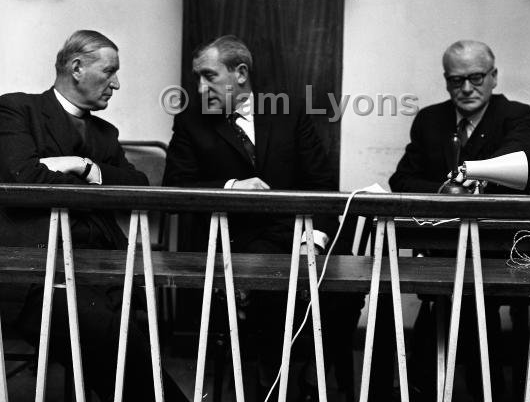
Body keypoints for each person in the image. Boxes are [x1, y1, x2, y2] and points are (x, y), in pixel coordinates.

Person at [163, 34, 362, 400]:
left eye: (208, 76)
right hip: (239, 240)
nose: (200, 87)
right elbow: (175, 188)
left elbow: (321, 184)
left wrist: (314, 239)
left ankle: (310, 377)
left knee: (346, 293)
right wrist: (231, 185)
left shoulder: (288, 112)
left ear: (240, 73)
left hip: (298, 235)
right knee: (275, 291)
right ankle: (273, 386)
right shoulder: (191, 121)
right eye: (197, 78)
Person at [0, 30, 188, 402]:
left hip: (103, 269)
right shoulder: (17, 109)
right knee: (114, 344)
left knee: (122, 348)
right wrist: (80, 176)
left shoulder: (105, 132)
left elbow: (137, 186)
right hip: (38, 273)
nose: (116, 84)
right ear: (76, 67)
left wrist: (81, 166)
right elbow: (25, 180)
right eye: (110, 71)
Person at [388, 40, 530, 401]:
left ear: (494, 77)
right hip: (447, 246)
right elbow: (402, 180)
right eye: (457, 80)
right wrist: (449, 188)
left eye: (476, 77)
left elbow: (524, 154)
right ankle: (478, 387)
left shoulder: (517, 114)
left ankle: (437, 384)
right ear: (446, 81)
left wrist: (480, 175)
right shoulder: (430, 120)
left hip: (501, 246)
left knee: (465, 301)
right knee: (461, 299)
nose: (467, 88)